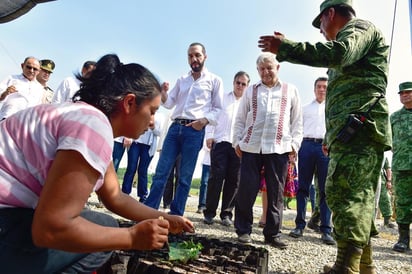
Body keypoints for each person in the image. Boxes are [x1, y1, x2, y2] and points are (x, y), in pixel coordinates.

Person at [0, 53, 194, 273]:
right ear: (130, 102)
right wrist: (130, 236)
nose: (152, 123)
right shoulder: (93, 125)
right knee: (103, 232)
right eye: (152, 111)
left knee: (101, 223)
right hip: (4, 223)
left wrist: (167, 219)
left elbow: (115, 197)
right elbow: (50, 228)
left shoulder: (83, 117)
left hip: (8, 219)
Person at [258, 0, 391, 272]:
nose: (320, 29)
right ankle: (362, 265)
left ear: (330, 13)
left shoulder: (359, 29)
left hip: (362, 131)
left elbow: (340, 53)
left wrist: (288, 49)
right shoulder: (352, 38)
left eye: (320, 22)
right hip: (350, 133)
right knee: (353, 195)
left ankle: (346, 266)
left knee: (349, 195)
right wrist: (332, 138)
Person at [144, 42, 224, 216]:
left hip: (194, 131)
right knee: (161, 173)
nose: (194, 59)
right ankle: (148, 213)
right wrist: (163, 92)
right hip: (175, 128)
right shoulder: (182, 80)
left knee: (185, 177)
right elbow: (169, 102)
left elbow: (218, 109)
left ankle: (175, 216)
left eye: (197, 55)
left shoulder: (214, 81)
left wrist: (202, 121)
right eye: (190, 56)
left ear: (205, 56)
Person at [232, 52, 303, 249]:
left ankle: (272, 234)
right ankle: (243, 230)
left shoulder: (291, 90)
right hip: (251, 146)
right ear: (257, 71)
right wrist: (236, 142)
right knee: (246, 190)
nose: (266, 72)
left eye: (269, 68)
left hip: (279, 148)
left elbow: (297, 122)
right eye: (262, 69)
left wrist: (294, 145)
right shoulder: (251, 90)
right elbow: (240, 119)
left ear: (277, 68)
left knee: (275, 192)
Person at [289, 77, 335, 245]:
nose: (322, 89)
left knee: (324, 190)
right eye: (319, 87)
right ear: (314, 89)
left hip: (325, 147)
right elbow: (297, 129)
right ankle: (299, 225)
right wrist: (293, 150)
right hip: (306, 146)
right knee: (303, 187)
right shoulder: (305, 108)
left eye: (325, 87)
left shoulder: (332, 110)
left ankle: (325, 230)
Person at [203, 71, 250, 226]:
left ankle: (226, 214)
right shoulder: (222, 99)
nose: (240, 86)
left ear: (247, 86)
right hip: (221, 142)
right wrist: (209, 135)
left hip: (238, 146)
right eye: (238, 82)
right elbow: (212, 117)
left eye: (244, 84)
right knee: (216, 177)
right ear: (233, 82)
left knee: (234, 180)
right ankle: (209, 212)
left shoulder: (249, 103)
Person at [390, 81, 412, 253]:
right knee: (403, 203)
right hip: (401, 166)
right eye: (402, 93)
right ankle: (403, 239)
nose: (405, 95)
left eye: (408, 92)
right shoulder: (394, 117)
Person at [121, 117, 161, 203]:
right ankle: (125, 193)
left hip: (148, 146)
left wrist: (153, 127)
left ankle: (143, 196)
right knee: (131, 168)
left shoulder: (158, 117)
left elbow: (159, 133)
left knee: (143, 170)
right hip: (135, 142)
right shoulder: (140, 110)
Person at [377, 157, 395, 229]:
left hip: (381, 180)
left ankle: (387, 222)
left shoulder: (383, 155)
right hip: (366, 180)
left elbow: (388, 168)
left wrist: (389, 181)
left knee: (385, 199)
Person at [197, 139, 210, 214]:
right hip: (207, 162)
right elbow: (205, 146)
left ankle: (210, 206)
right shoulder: (209, 128)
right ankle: (202, 205)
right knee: (204, 183)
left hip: (219, 161)